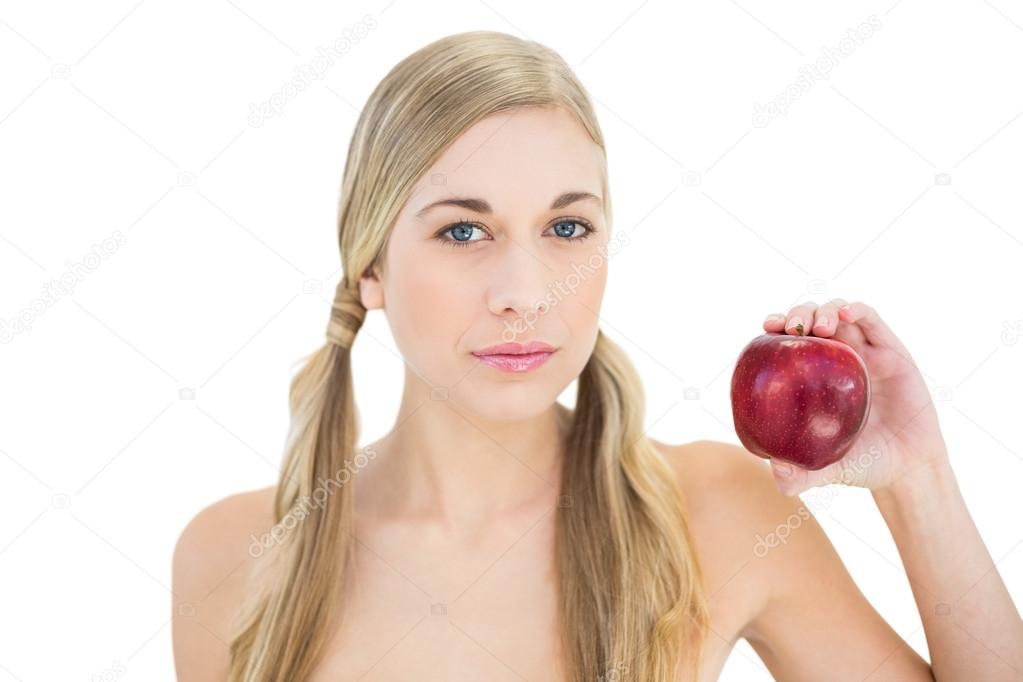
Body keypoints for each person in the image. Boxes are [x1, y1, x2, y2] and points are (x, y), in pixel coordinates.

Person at [171, 30, 1023, 681]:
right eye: (463, 230)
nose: (524, 290)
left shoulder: (716, 514)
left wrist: (920, 481)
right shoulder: (237, 553)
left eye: (565, 228)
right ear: (371, 266)